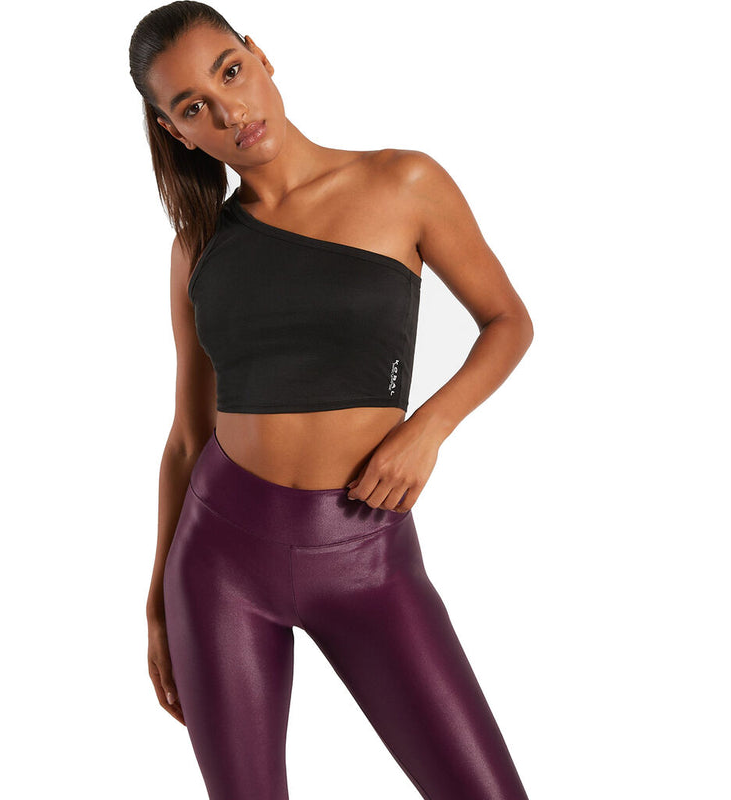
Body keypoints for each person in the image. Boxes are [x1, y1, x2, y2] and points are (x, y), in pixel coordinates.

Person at [129, 3, 534, 798]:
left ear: (260, 56)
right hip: (218, 564)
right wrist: (155, 604)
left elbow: (508, 322)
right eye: (194, 108)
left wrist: (428, 429)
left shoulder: (402, 182)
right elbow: (186, 438)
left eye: (230, 72)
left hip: (367, 554)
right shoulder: (197, 246)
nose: (229, 111)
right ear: (178, 132)